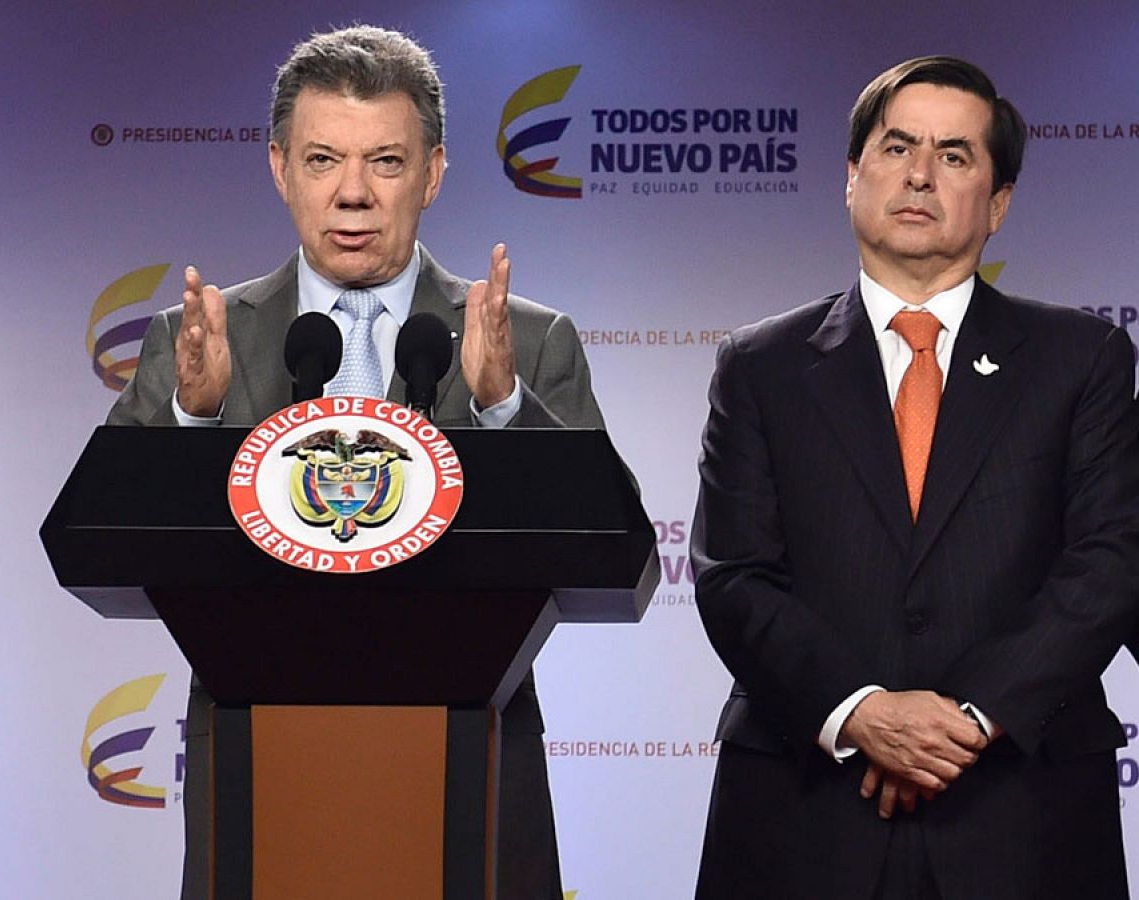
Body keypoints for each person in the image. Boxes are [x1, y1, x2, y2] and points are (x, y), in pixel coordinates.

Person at [108, 24, 620, 900]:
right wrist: (193, 418)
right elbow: (112, 542)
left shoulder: (527, 339)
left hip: (470, 761)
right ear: (279, 170)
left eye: (385, 161)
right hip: (261, 768)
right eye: (321, 161)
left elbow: (606, 545)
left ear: (434, 172)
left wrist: (501, 405)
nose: (353, 195)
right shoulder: (198, 340)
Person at [691, 55, 1139, 899]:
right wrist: (860, 711)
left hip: (1021, 812)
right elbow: (734, 576)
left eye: (956, 155)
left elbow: (1110, 563)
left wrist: (963, 721)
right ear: (852, 177)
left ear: (999, 203)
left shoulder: (1082, 359)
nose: (921, 173)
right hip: (805, 808)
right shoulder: (761, 364)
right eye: (897, 147)